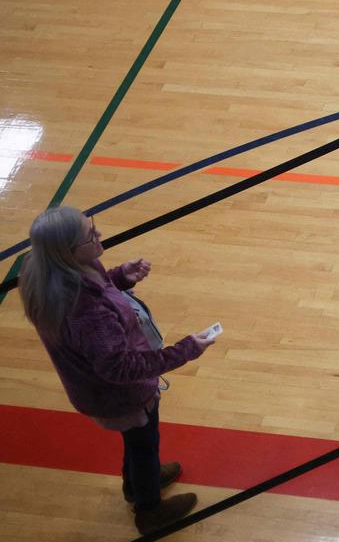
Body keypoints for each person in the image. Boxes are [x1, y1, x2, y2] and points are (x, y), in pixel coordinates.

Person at [18, 207, 215, 534]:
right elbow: (121, 367)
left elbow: (98, 287)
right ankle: (149, 509)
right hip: (120, 395)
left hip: (101, 391)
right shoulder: (86, 311)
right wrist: (185, 350)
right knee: (144, 443)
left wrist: (120, 277)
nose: (98, 235)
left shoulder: (50, 269)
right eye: (89, 235)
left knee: (137, 442)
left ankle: (137, 484)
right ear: (67, 250)